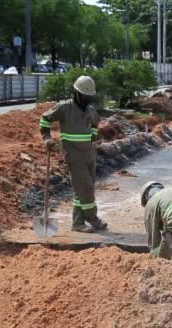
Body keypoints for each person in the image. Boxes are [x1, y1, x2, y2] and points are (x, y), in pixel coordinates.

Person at [39, 75, 108, 233]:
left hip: (89, 153)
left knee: (81, 191)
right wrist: (47, 138)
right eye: (85, 96)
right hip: (73, 154)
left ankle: (78, 223)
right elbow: (44, 119)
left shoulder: (90, 110)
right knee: (86, 188)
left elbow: (96, 123)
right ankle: (92, 218)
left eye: (89, 96)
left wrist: (94, 135)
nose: (87, 99)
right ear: (77, 93)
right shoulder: (64, 108)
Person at [140, 182, 172, 259]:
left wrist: (156, 257)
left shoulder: (151, 203)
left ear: (146, 197)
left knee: (168, 240)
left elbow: (153, 237)